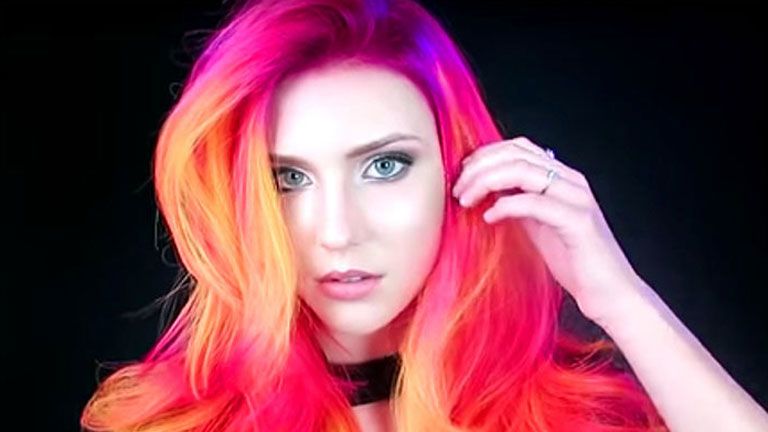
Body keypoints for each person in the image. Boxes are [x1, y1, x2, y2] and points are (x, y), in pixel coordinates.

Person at [81, 0, 768, 431]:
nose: (338, 232)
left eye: (384, 166)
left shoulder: (568, 413)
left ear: (458, 168)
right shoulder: (170, 423)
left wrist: (619, 297)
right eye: (286, 179)